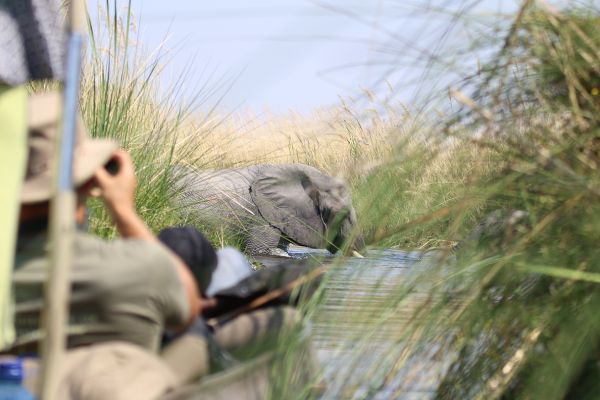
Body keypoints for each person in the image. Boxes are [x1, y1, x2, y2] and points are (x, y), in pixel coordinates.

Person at [12, 91, 201, 353]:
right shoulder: (142, 269)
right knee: (198, 336)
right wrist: (123, 210)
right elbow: (188, 308)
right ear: (91, 179)